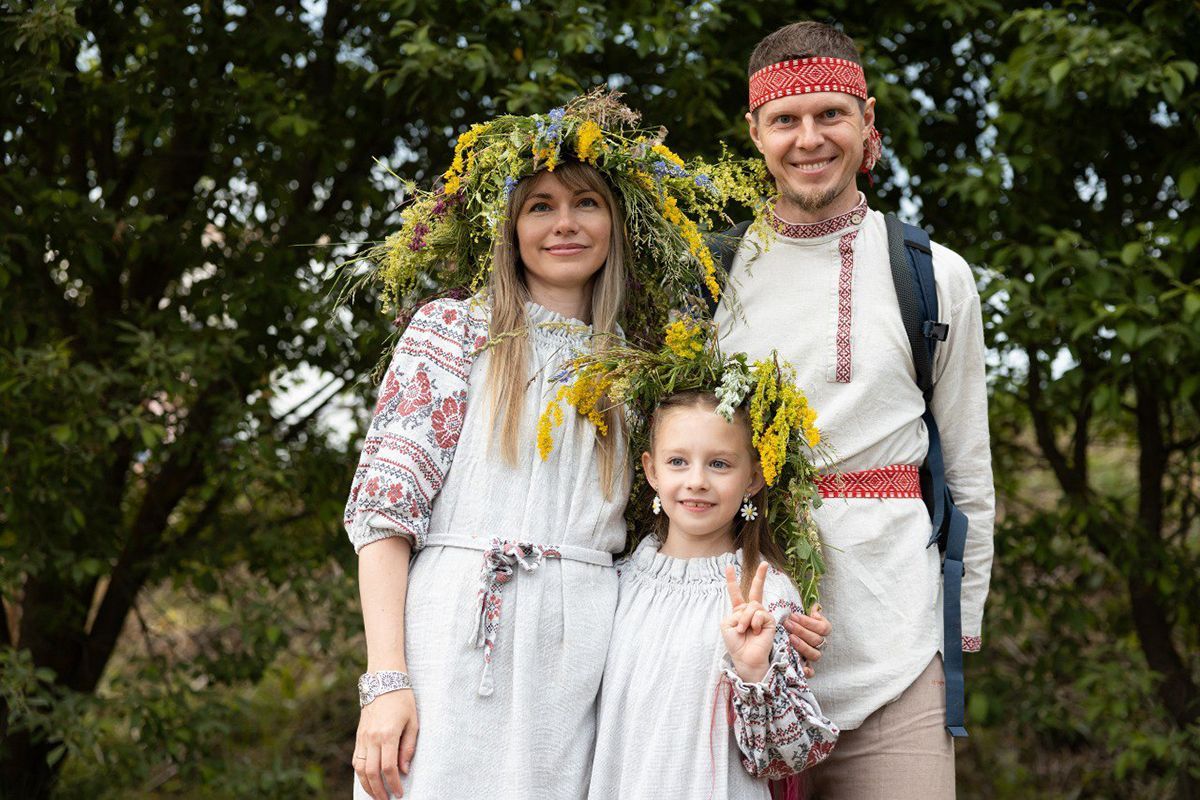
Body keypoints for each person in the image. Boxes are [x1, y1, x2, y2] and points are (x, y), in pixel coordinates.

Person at [342, 95, 741, 800]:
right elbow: (384, 515)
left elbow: (698, 506)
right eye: (540, 206)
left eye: (586, 202)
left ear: (616, 223)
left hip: (585, 645)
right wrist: (387, 680)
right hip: (451, 633)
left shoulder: (646, 365)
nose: (565, 223)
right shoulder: (451, 333)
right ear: (510, 227)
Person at [712, 21, 996, 799]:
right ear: (756, 133)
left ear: (867, 120)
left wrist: (955, 633)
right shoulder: (710, 276)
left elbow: (969, 472)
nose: (810, 138)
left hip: (897, 651)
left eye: (831, 114)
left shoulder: (933, 275)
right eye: (786, 119)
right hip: (736, 643)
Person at [540, 321, 839, 798]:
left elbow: (788, 755)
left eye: (719, 463)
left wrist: (754, 672)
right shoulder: (614, 582)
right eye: (678, 461)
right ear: (651, 470)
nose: (697, 480)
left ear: (754, 478)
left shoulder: (765, 593)